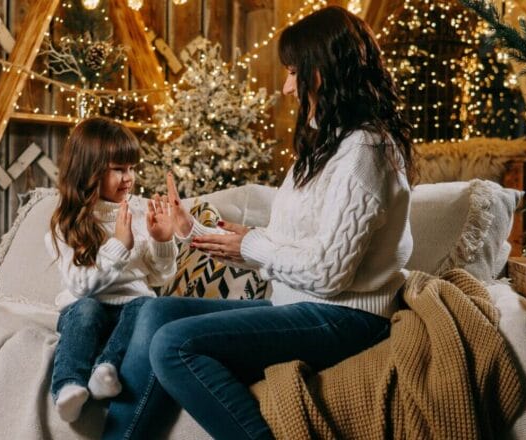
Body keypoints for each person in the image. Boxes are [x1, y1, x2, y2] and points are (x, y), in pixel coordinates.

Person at [101, 6, 414, 439]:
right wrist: (192, 230)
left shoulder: (365, 151)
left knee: (174, 345)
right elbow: (285, 245)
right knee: (155, 312)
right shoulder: (325, 147)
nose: (287, 87)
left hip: (347, 317)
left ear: (322, 71)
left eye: (292, 72)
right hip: (300, 304)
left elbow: (328, 272)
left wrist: (250, 246)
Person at [46, 117, 178, 423]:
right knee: (87, 309)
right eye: (118, 169)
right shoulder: (67, 225)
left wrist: (161, 241)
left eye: (131, 168)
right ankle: (68, 386)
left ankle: (105, 369)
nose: (129, 177)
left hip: (131, 309)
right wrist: (119, 244)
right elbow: (80, 286)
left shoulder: (139, 210)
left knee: (148, 304)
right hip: (86, 309)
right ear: (89, 170)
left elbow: (160, 277)